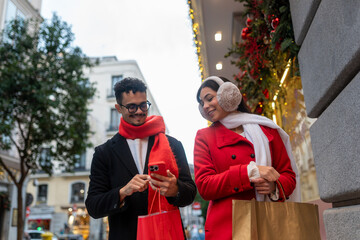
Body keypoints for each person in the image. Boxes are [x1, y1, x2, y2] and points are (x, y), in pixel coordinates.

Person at [85, 77, 196, 239]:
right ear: (118, 108)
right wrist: (123, 192)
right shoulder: (104, 152)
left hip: (168, 233)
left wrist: (176, 189)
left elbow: (190, 193)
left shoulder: (173, 145)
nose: (139, 111)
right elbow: (93, 207)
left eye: (143, 105)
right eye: (131, 107)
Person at [194, 76, 300, 240]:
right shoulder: (204, 136)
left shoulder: (267, 129)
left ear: (227, 94)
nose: (205, 106)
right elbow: (204, 186)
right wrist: (249, 172)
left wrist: (274, 187)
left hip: (269, 225)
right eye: (202, 103)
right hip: (227, 229)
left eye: (209, 99)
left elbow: (289, 176)